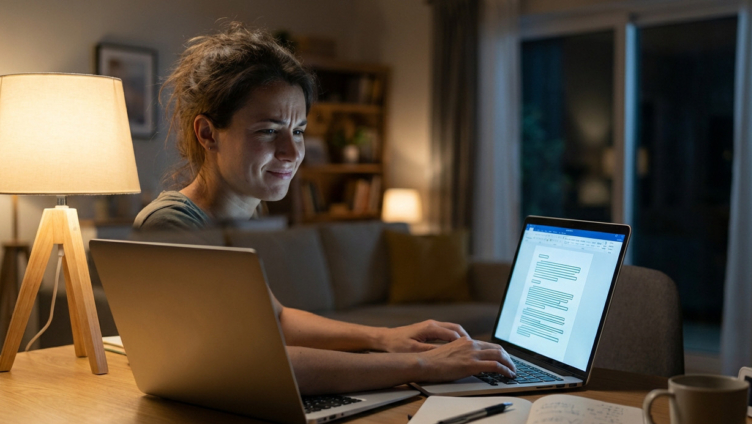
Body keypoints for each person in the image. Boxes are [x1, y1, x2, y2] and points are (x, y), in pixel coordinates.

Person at [134, 22, 515, 395]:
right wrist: (425, 365)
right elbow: (257, 363)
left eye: (298, 130)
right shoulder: (171, 226)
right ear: (207, 134)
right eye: (269, 130)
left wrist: (386, 338)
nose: (292, 152)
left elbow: (276, 319)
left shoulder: (238, 220)